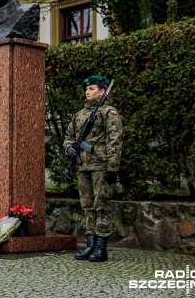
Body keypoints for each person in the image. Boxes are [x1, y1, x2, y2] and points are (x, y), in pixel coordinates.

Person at [64, 75, 123, 262]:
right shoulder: (79, 114)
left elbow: (115, 141)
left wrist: (112, 168)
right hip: (83, 167)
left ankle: (100, 247)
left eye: (91, 89)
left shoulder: (108, 112)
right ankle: (90, 244)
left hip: (101, 166)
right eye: (86, 89)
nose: (87, 92)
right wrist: (70, 148)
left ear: (102, 91)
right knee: (87, 207)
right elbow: (69, 137)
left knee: (101, 206)